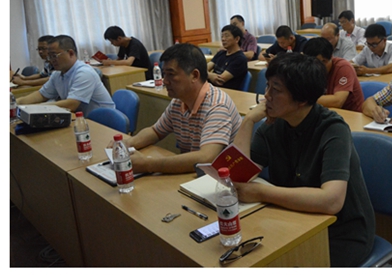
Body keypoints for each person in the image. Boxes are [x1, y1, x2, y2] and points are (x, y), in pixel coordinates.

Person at [232, 52, 375, 267]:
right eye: (267, 86)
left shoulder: (333, 129)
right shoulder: (273, 124)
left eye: (276, 90)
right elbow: (237, 177)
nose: (266, 96)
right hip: (295, 219)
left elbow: (332, 201)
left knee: (277, 264)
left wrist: (261, 192)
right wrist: (248, 121)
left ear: (302, 99)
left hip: (341, 234)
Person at [127, 43, 241, 174]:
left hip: (223, 176)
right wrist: (128, 143)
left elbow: (206, 157)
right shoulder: (179, 101)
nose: (165, 81)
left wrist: (148, 164)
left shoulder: (217, 106)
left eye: (171, 74)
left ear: (194, 75)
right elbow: (155, 131)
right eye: (164, 74)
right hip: (196, 173)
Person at [17, 34, 115, 115]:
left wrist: (33, 108)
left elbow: (71, 104)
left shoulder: (84, 73)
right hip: (81, 119)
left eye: (54, 56)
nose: (51, 60)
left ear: (70, 53)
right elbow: (41, 95)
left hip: (103, 121)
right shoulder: (57, 74)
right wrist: (17, 102)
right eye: (49, 56)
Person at [303, 37, 364, 112]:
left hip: (351, 114)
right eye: (315, 63)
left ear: (331, 57)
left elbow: (338, 101)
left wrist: (304, 99)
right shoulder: (306, 68)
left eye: (323, 62)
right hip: (325, 111)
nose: (319, 67)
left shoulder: (343, 67)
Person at [207, 24, 249, 90]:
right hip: (212, 89)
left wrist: (207, 75)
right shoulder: (221, 53)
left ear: (237, 39)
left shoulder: (240, 59)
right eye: (222, 36)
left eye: (226, 36)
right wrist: (210, 75)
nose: (223, 39)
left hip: (227, 91)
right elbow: (204, 68)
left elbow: (220, 80)